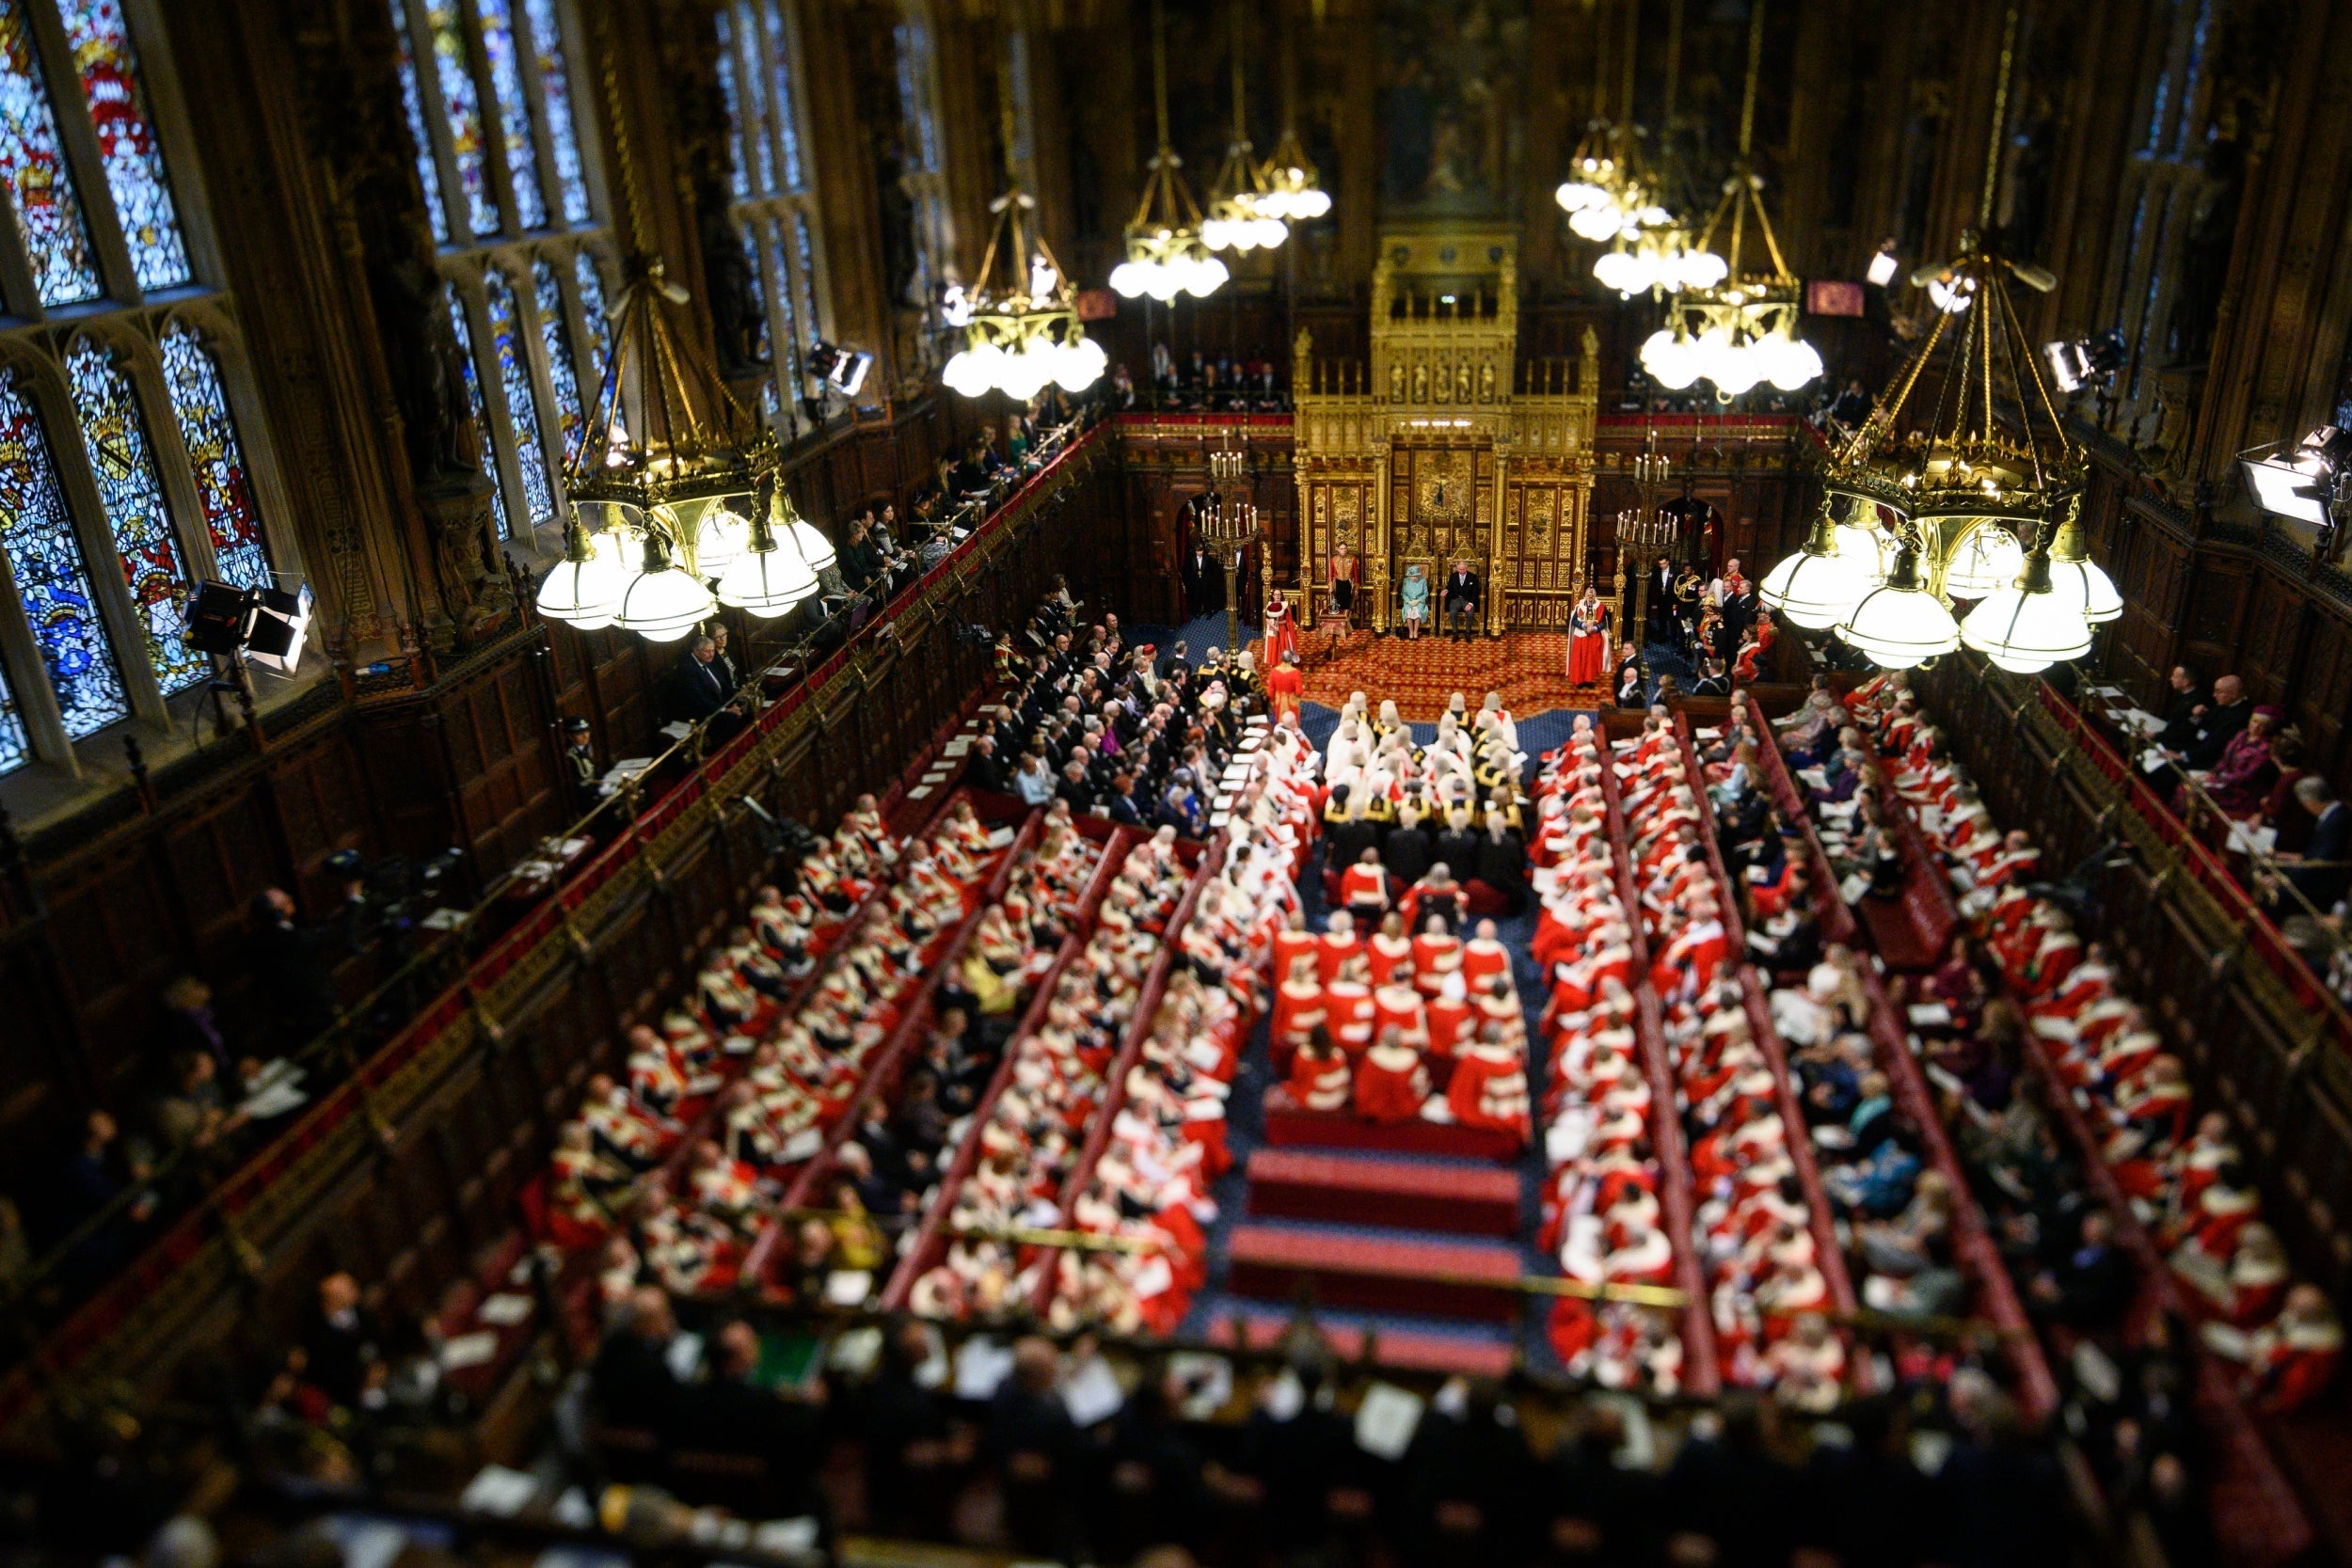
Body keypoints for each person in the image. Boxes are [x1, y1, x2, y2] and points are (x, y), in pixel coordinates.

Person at [246, 887, 342, 1048]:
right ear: (275, 913)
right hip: (314, 1012)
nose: (291, 902)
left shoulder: (256, 941)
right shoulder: (288, 939)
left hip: (293, 1016)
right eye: (286, 901)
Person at [2268, 774, 2351, 913]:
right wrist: (2289, 858)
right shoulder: (2335, 813)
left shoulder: (2338, 820)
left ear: (2309, 802)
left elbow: (2318, 863)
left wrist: (2283, 880)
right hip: (2311, 869)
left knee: (2274, 895)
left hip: (2320, 882)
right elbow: (2313, 855)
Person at [664, 633, 740, 727]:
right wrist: (726, 710)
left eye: (712, 651)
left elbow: (723, 684)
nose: (711, 654)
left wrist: (736, 697)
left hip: (721, 702)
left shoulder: (708, 660)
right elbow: (700, 700)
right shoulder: (688, 669)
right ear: (696, 651)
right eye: (707, 651)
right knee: (733, 718)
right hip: (704, 712)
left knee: (744, 705)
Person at [1567, 585, 1612, 686]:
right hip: (1580, 636)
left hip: (1594, 637)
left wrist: (1596, 628)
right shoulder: (1579, 606)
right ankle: (1579, 680)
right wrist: (1582, 625)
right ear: (1585, 596)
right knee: (1580, 658)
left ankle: (1589, 679)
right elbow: (1573, 621)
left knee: (1591, 660)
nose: (1590, 598)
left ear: (1595, 596)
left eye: (1592, 596)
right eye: (1588, 595)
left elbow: (1604, 622)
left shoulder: (1600, 607)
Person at [562, 716, 601, 816]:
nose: (585, 736)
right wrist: (598, 790)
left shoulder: (587, 747)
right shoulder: (570, 756)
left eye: (587, 732)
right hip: (585, 799)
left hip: (595, 790)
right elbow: (577, 786)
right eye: (580, 734)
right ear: (570, 737)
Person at [1442, 559, 1482, 640]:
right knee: (1453, 612)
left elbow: (1475, 592)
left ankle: (1467, 633)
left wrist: (1470, 604)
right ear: (1457, 569)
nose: (1462, 571)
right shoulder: (1453, 576)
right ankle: (1455, 633)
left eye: (1463, 569)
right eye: (1460, 569)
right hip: (1456, 599)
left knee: (1470, 613)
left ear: (1466, 568)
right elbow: (1449, 587)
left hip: (1468, 600)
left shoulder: (1473, 577)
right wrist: (1446, 590)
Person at [1399, 562, 1431, 640]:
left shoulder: (1423, 581)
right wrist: (1409, 601)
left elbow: (1426, 593)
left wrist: (1418, 601)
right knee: (1408, 612)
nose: (1413, 578)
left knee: (1417, 611)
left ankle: (1416, 631)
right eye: (1412, 576)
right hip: (1409, 601)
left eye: (1415, 576)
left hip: (1419, 602)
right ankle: (1411, 631)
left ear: (1418, 575)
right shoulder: (1406, 581)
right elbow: (1403, 593)